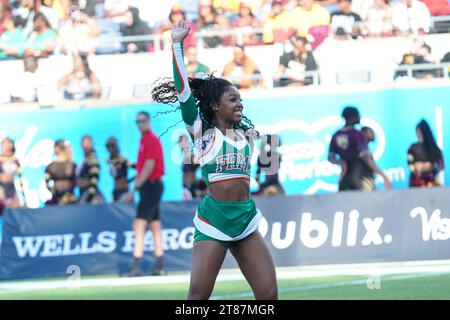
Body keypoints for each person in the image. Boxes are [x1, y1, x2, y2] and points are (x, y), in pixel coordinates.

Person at [151, 21, 277, 300]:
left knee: (268, 296)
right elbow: (183, 91)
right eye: (233, 99)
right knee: (197, 298)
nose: (240, 104)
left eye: (241, 99)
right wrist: (176, 44)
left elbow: (270, 160)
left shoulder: (246, 135)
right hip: (214, 221)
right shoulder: (202, 133)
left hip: (245, 219)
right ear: (215, 105)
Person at [122, 111, 166, 277]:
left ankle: (136, 263)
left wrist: (133, 190)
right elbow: (144, 166)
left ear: (148, 122)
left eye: (142, 121)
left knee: (139, 224)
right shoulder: (144, 139)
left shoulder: (151, 139)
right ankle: (159, 263)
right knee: (154, 224)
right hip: (150, 186)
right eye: (137, 121)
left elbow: (149, 167)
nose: (139, 124)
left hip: (151, 186)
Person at [328, 106, 391, 192]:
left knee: (346, 202)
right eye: (358, 115)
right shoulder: (357, 134)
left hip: (345, 178)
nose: (360, 117)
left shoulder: (336, 135)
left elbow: (330, 157)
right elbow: (365, 157)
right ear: (352, 117)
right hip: (362, 175)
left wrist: (341, 162)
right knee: (369, 202)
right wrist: (383, 175)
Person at [407, 120, 444, 188]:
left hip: (431, 183)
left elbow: (440, 165)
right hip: (416, 184)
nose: (418, 134)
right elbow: (410, 165)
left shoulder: (435, 148)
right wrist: (417, 170)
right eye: (417, 132)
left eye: (420, 132)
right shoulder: (412, 148)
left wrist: (429, 167)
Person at [45, 139, 77, 206]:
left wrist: (63, 195)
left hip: (70, 200)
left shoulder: (72, 166)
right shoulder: (50, 167)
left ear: (56, 149)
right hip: (58, 200)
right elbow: (48, 184)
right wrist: (57, 195)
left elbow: (75, 182)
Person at [0, 138, 24, 214]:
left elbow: (20, 177)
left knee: (15, 211)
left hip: (12, 189)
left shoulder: (15, 159)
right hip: (1, 189)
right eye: (4, 143)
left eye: (9, 143)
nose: (7, 146)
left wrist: (23, 195)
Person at [78, 135, 104, 204]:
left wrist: (89, 197)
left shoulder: (93, 160)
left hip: (91, 196)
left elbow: (94, 180)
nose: (85, 146)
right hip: (83, 193)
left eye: (88, 143)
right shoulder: (84, 160)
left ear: (92, 145)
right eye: (84, 144)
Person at [178, 134, 206, 200]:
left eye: (183, 142)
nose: (180, 144)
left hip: (193, 186)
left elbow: (204, 165)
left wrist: (203, 181)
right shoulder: (185, 157)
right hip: (186, 187)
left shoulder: (193, 157)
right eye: (179, 142)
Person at [106, 137, 133, 202]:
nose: (110, 148)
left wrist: (129, 181)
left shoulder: (123, 159)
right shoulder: (110, 160)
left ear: (116, 146)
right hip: (115, 192)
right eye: (107, 146)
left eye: (112, 145)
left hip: (124, 191)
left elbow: (135, 167)